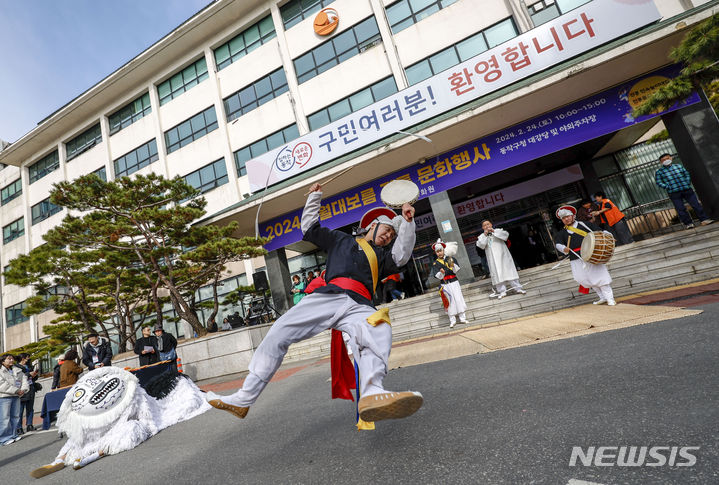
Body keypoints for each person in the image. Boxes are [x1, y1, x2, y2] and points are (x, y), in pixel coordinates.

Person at [205, 182, 423, 425]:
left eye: (392, 235)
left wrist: (407, 222)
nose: (389, 236)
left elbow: (402, 254)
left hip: (360, 306)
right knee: (279, 331)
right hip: (328, 297)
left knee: (378, 327)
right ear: (372, 225)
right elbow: (309, 228)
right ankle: (243, 399)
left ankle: (372, 393)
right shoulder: (341, 239)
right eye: (387, 230)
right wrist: (314, 197)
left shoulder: (383, 256)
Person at [554, 205, 616, 306]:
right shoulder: (562, 233)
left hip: (591, 255)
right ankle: (602, 297)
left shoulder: (586, 225)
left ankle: (610, 298)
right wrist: (563, 248)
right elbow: (558, 244)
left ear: (573, 216)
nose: (566, 219)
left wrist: (608, 236)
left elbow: (600, 231)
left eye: (568, 216)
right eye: (564, 218)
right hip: (575, 258)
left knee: (600, 276)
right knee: (584, 278)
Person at [654, 153, 714, 229]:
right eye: (663, 160)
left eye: (667, 158)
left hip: (687, 189)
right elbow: (658, 182)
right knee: (680, 209)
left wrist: (687, 182)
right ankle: (688, 223)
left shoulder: (678, 166)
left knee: (696, 205)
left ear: (671, 158)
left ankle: (704, 220)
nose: (666, 160)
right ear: (661, 162)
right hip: (674, 193)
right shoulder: (659, 172)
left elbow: (687, 174)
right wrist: (667, 186)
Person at [476, 220, 526, 299]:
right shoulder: (481, 236)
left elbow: (506, 236)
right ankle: (502, 291)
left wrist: (494, 232)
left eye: (488, 224)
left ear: (491, 224)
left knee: (509, 271)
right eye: (484, 225)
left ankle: (518, 288)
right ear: (482, 227)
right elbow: (481, 245)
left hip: (503, 256)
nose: (486, 226)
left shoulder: (498, 230)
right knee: (497, 274)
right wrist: (486, 235)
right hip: (493, 259)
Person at [432, 239, 468, 328]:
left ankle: (462, 318)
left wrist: (452, 264)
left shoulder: (450, 258)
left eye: (440, 251)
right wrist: (441, 272)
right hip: (445, 284)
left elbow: (456, 270)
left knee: (458, 298)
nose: (439, 253)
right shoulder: (435, 263)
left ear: (443, 250)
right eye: (437, 252)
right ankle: (452, 320)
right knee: (448, 301)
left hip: (454, 282)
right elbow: (437, 276)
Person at [0, 353, 29, 446]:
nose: (11, 360)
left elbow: (24, 380)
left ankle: (13, 435)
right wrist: (16, 390)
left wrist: (23, 390)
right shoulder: (1, 371)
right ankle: (4, 439)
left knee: (15, 416)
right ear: (3, 361)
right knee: (4, 418)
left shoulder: (17, 370)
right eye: (9, 359)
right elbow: (2, 385)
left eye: (12, 359)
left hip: (16, 396)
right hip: (4, 397)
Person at [15, 353, 38, 433]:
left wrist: (34, 375)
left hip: (31, 388)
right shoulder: (16, 367)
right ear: (22, 358)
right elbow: (17, 377)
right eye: (27, 358)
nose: (28, 359)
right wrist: (28, 374)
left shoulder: (29, 366)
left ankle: (29, 425)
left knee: (30, 408)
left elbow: (33, 377)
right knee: (20, 410)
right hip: (22, 389)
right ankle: (19, 427)